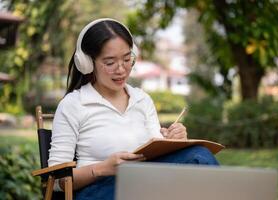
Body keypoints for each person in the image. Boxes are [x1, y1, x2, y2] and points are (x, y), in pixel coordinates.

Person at [48, 18, 219, 200]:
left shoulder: (142, 99)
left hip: (145, 182)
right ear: (87, 63)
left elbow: (157, 150)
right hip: (98, 190)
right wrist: (102, 168)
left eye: (127, 59)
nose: (121, 69)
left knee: (199, 156)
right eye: (110, 62)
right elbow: (56, 181)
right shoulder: (73, 104)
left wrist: (174, 142)